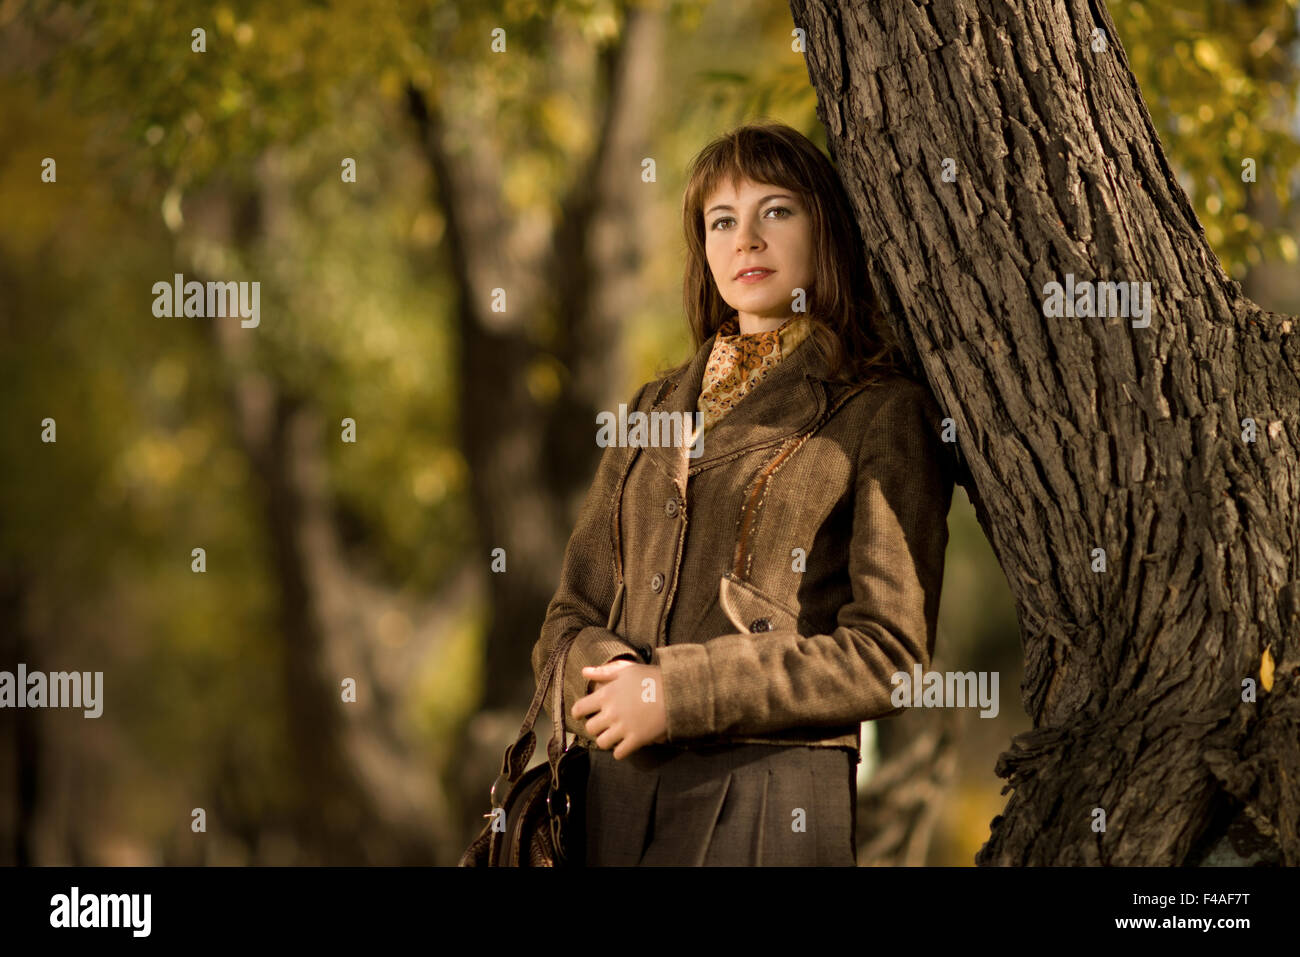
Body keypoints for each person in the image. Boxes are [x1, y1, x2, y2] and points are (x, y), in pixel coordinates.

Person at [530, 121, 956, 866]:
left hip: (768, 806)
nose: (746, 239)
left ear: (826, 229)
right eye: (722, 220)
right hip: (608, 808)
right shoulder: (652, 407)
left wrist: (677, 694)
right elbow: (569, 614)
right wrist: (612, 678)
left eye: (776, 210)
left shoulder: (882, 410)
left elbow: (888, 654)